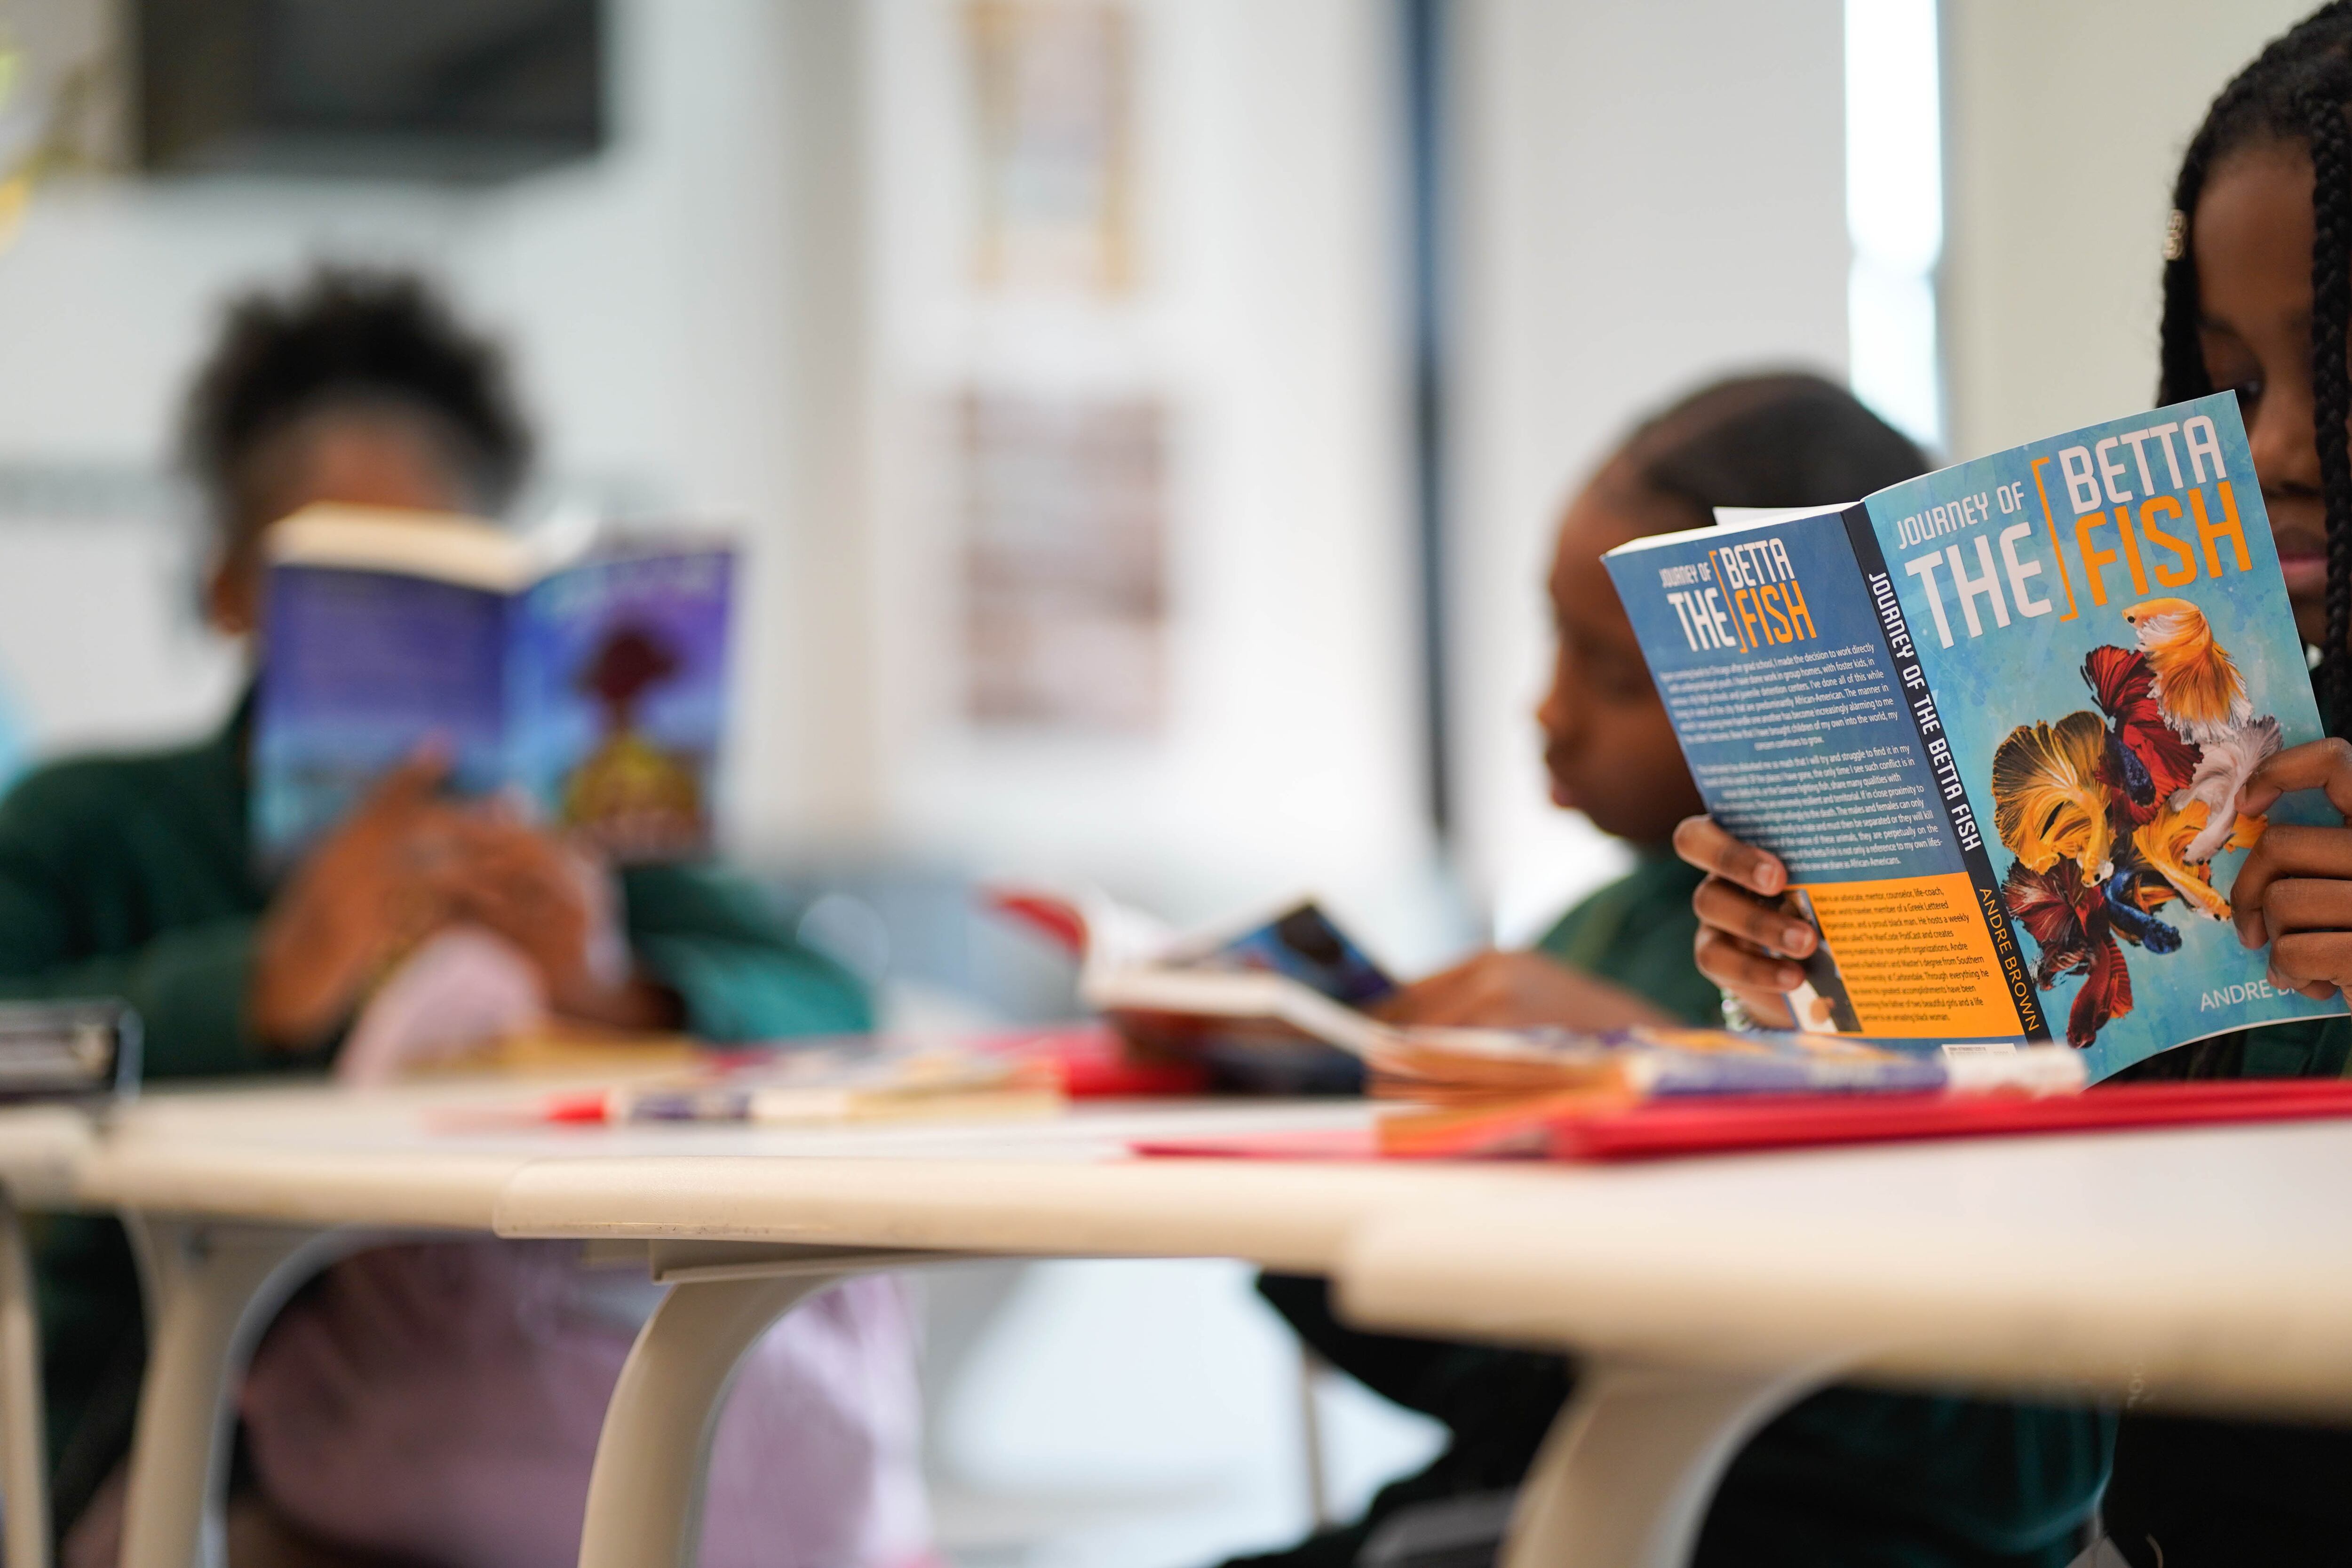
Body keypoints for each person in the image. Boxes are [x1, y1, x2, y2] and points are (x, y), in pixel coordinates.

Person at [4, 267, 927, 1568]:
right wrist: (262, 984)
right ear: (228, 589)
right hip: (178, 1450)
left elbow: (831, 1002)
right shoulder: (97, 823)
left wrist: (614, 986)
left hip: (550, 1456)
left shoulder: (579, 843)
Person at [1676, 7, 2352, 1561]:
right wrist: (1824, 1000)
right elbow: (2040, 1333)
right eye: (2233, 383)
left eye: (2343, 368)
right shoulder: (2242, 744)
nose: (2282, 446)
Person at [1231, 373, 2108, 1568]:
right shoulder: (1586, 933)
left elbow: (2029, 1466)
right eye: (1556, 643)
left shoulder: (1981, 974)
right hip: (1537, 1504)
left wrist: (1664, 1073)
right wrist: (1294, 1113)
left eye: (1611, 673)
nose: (1545, 711)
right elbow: (1501, 1385)